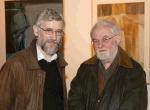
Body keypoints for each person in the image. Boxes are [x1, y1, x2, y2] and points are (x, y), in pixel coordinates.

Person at [68, 19, 147, 110]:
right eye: (95, 41)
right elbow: (74, 100)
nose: (100, 45)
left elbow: (134, 106)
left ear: (117, 39)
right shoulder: (84, 68)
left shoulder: (134, 71)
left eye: (105, 39)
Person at [0, 8, 68, 110]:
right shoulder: (14, 64)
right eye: (49, 31)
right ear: (36, 31)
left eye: (58, 32)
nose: (54, 37)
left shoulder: (59, 64)